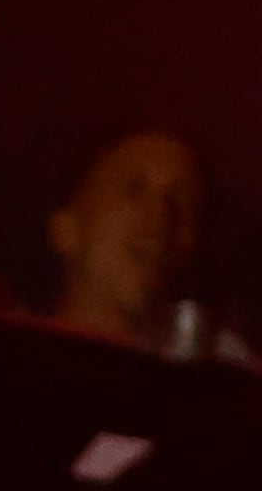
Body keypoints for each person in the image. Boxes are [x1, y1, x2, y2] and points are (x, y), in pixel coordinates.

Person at [47, 127, 203, 351]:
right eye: (134, 189)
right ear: (66, 229)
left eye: (182, 202)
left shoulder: (227, 375)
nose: (162, 214)